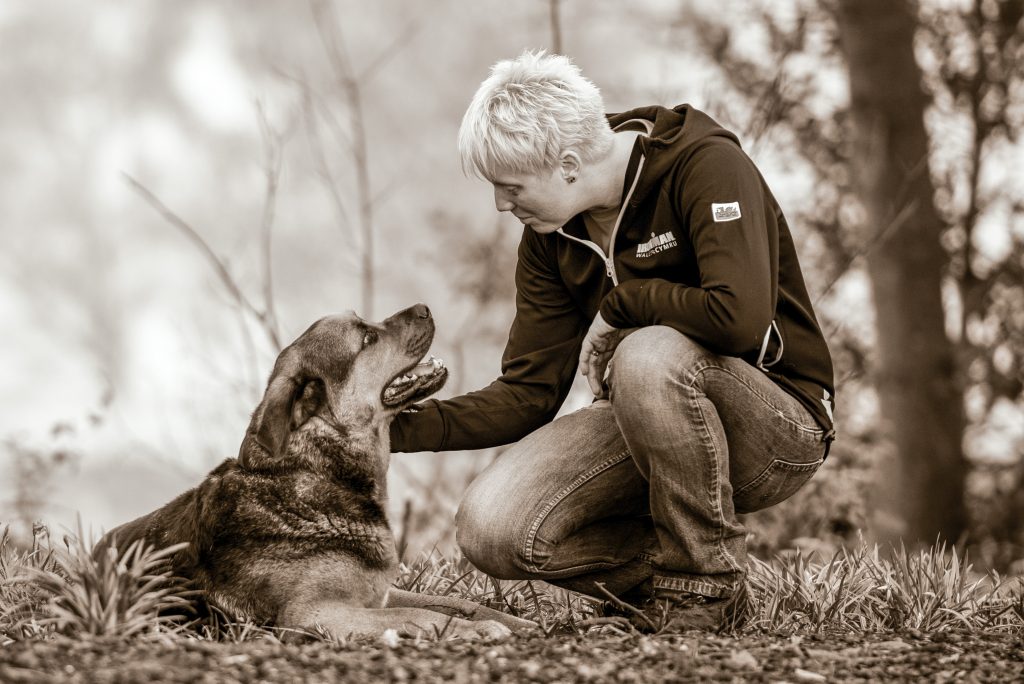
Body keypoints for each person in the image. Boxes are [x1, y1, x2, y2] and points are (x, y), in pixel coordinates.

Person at [390, 50, 836, 631]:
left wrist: (626, 303)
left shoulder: (705, 165)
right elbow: (529, 394)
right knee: (493, 528)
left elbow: (739, 320)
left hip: (778, 428)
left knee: (647, 351)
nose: (502, 204)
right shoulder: (549, 238)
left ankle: (706, 586)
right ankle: (673, 585)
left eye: (511, 186)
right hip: (646, 422)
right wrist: (385, 428)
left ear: (569, 163)